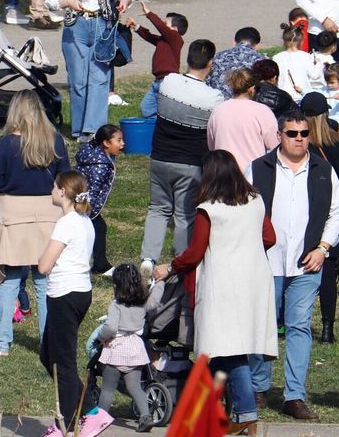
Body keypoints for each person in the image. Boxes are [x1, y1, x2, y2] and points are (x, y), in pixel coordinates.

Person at [158, 150, 277, 435]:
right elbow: (269, 238)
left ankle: (245, 412)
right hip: (255, 280)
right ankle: (209, 410)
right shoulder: (255, 200)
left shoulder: (208, 208)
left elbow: (195, 251)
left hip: (223, 282)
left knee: (226, 349)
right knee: (229, 349)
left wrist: (171, 267)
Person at [248, 108, 339, 422]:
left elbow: (336, 213)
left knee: (299, 327)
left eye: (304, 134)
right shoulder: (257, 168)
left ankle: (294, 396)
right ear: (280, 136)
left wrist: (323, 248)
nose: (299, 139)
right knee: (263, 326)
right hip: (267, 262)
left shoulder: (322, 169)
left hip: (306, 264)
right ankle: (257, 386)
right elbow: (243, 212)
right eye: (292, 134)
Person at [0, 90, 68, 357]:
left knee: (9, 281)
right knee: (44, 282)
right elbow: (66, 179)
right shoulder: (56, 141)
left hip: (14, 217)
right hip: (49, 216)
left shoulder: (6, 143)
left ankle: (1, 343)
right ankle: (48, 343)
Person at [28, 169, 115, 437]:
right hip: (78, 293)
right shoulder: (84, 221)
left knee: (62, 362)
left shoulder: (66, 223)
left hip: (65, 294)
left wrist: (40, 256)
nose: (52, 190)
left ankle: (66, 424)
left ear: (63, 192)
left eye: (55, 186)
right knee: (48, 355)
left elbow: (44, 266)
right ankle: (87, 408)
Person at [140, 40, 224, 270]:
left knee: (158, 209)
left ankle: (148, 258)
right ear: (211, 64)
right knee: (184, 214)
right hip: (190, 163)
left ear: (188, 59)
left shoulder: (169, 81)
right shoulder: (214, 97)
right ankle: (181, 261)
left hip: (159, 156)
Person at [46, 0, 136, 139]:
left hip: (101, 26)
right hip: (76, 28)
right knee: (78, 81)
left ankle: (94, 130)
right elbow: (51, 1)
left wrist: (125, 0)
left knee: (99, 79)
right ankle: (79, 129)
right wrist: (68, 2)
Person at [300, 92, 339, 344]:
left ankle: (297, 322)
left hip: (307, 211)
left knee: (303, 270)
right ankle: (327, 329)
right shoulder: (338, 143)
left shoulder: (301, 145)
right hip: (336, 211)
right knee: (330, 274)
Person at [94, 264, 155, 432]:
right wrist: (161, 282)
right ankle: (146, 416)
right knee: (135, 386)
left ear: (116, 286)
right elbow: (156, 298)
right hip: (135, 348)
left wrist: (101, 338)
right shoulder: (143, 304)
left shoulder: (116, 305)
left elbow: (111, 328)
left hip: (116, 348)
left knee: (108, 387)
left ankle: (100, 420)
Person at [207, 67, 281, 178]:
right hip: (252, 174)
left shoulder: (218, 110)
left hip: (223, 175)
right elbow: (275, 145)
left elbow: (212, 145)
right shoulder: (262, 110)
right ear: (252, 89)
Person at [76, 123, 124, 275]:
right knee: (97, 227)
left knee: (99, 227)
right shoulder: (101, 165)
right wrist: (88, 211)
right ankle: (100, 265)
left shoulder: (91, 152)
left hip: (79, 201)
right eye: (119, 140)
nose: (123, 144)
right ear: (106, 143)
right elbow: (94, 190)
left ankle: (99, 263)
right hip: (86, 206)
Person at [131, 4, 186, 118]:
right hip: (157, 81)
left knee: (165, 110)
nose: (164, 27)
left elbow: (160, 26)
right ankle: (156, 127)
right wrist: (136, 26)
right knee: (146, 108)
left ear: (175, 29)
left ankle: (162, 127)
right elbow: (150, 36)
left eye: (167, 24)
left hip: (168, 80)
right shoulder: (163, 40)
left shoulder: (176, 38)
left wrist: (149, 14)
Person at [207, 27, 267, 93]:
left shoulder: (217, 56)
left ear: (234, 43)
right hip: (248, 102)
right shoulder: (263, 61)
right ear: (257, 46)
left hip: (217, 101)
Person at [274, 21, 320, 101]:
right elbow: (314, 75)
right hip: (301, 95)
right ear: (301, 42)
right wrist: (318, 64)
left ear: (284, 41)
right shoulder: (306, 56)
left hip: (283, 96)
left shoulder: (277, 57)